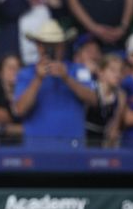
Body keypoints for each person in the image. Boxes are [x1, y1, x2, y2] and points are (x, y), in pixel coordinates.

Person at [13, 19, 97, 148]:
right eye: (46, 45)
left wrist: (67, 78)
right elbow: (19, 109)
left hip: (72, 147)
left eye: (55, 45)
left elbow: (94, 100)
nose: (50, 49)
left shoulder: (78, 70)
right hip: (37, 149)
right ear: (38, 46)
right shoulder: (26, 73)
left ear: (63, 46)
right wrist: (38, 79)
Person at [86, 54, 126, 147]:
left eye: (120, 71)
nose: (118, 75)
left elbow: (114, 130)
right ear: (101, 72)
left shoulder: (120, 96)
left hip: (102, 143)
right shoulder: (90, 89)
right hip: (83, 139)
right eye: (113, 70)